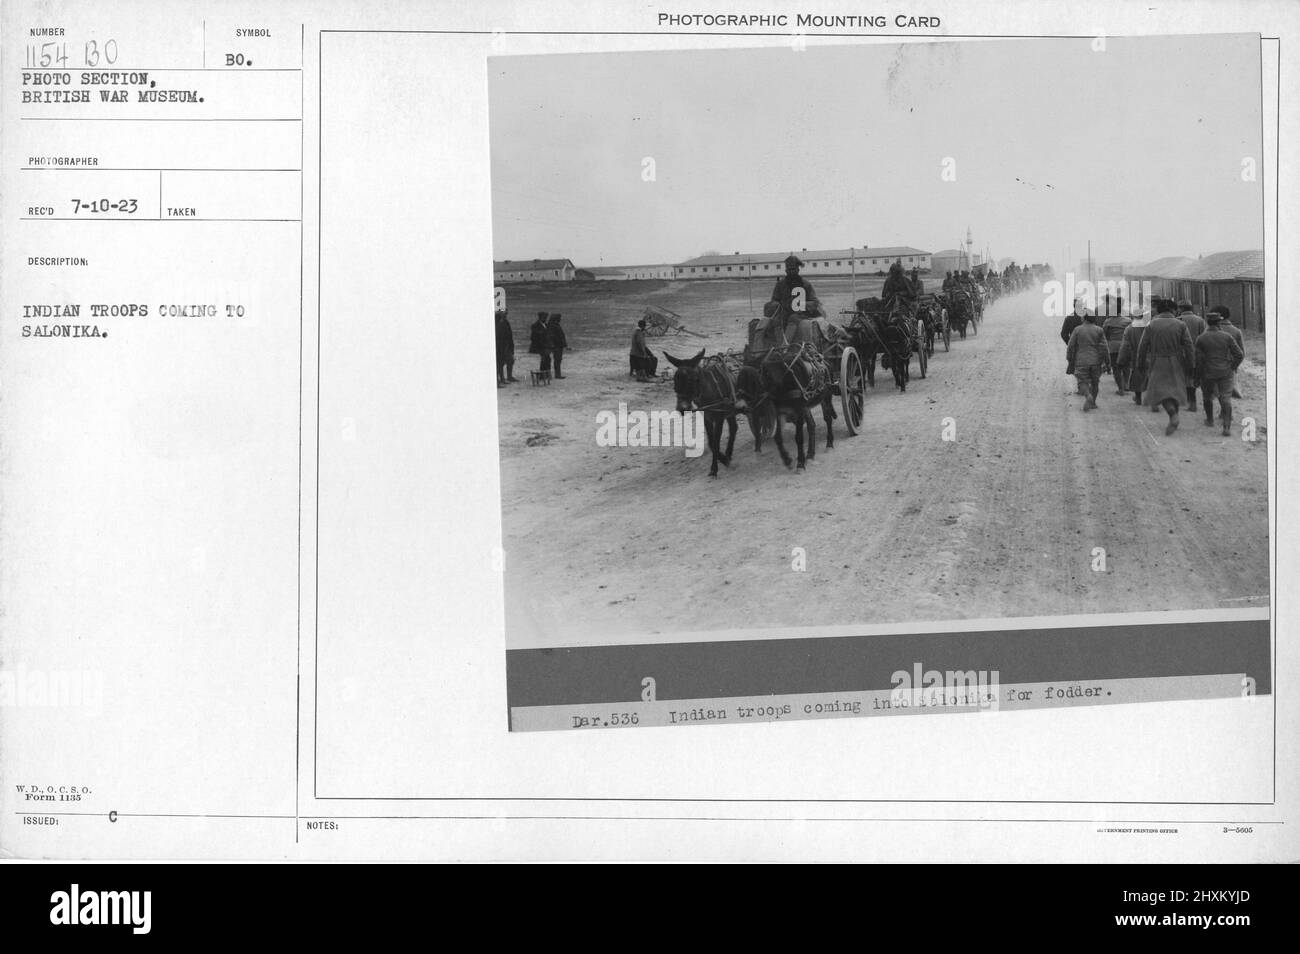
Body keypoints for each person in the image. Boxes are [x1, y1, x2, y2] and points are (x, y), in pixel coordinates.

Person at [1136, 297, 1196, 435]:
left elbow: (1142, 346)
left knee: (1162, 392)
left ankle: (1173, 415)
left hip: (1158, 361)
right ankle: (1174, 416)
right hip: (1177, 361)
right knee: (1175, 390)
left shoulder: (1152, 325)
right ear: (1173, 310)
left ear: (1159, 310)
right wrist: (1191, 364)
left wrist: (1140, 363)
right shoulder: (1181, 325)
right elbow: (1189, 346)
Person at [1194, 310, 1244, 435]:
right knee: (1225, 398)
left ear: (1207, 322)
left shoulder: (1201, 338)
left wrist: (1197, 377)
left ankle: (1210, 420)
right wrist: (1232, 367)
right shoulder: (1227, 337)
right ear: (1218, 323)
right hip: (1225, 372)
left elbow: (1198, 361)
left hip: (1207, 372)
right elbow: (1239, 354)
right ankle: (1226, 427)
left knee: (1207, 397)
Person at [764, 254, 821, 344]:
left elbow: (814, 302)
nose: (791, 272)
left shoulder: (805, 284)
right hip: (784, 312)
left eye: (793, 269)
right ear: (786, 270)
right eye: (789, 269)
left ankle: (785, 346)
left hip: (801, 313)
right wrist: (776, 304)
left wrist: (801, 305)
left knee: (793, 318)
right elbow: (774, 299)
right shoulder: (780, 284)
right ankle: (780, 345)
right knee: (776, 320)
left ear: (798, 270)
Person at [1066, 312, 1109, 411]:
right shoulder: (1099, 330)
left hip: (1081, 360)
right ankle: (1093, 403)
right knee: (1095, 382)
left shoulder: (1077, 330)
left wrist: (1069, 357)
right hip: (1096, 360)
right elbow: (1105, 347)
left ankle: (1087, 395)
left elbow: (1071, 345)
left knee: (1082, 382)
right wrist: (1107, 361)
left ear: (1084, 318)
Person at [1116, 301, 1151, 405]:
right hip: (1150, 355)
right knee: (1150, 376)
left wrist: (1121, 360)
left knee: (1137, 376)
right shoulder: (1150, 326)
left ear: (1133, 315)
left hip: (1136, 356)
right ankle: (1152, 398)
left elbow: (1125, 346)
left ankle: (1138, 398)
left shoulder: (1129, 328)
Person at [1176, 300, 1207, 410]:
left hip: (1182, 353)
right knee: (1193, 377)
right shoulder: (1200, 320)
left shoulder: (1178, 320)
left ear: (1181, 309)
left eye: (1179, 308)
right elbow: (1204, 337)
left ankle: (1191, 402)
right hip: (1197, 353)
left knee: (1185, 378)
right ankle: (1192, 401)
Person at [1212, 305, 1245, 399]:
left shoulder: (1210, 330)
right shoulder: (1237, 331)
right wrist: (1234, 366)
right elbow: (1242, 353)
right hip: (1230, 367)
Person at [1101, 306, 1132, 393]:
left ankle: (1120, 388)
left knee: (1115, 367)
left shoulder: (1108, 321)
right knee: (1126, 365)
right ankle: (1126, 384)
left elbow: (1104, 334)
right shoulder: (1128, 320)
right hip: (1125, 345)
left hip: (1113, 346)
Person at [495, 309, 516, 387]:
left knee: (510, 360)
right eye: (504, 313)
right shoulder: (498, 322)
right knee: (500, 363)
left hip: (506, 345)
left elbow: (509, 335)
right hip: (501, 346)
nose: (506, 314)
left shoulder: (505, 322)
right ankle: (502, 379)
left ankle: (508, 377)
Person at [548, 313, 568, 379]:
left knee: (558, 360)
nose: (560, 319)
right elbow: (552, 336)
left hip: (558, 345)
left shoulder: (553, 325)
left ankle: (557, 374)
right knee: (557, 360)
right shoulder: (553, 326)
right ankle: (557, 374)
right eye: (559, 318)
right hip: (557, 346)